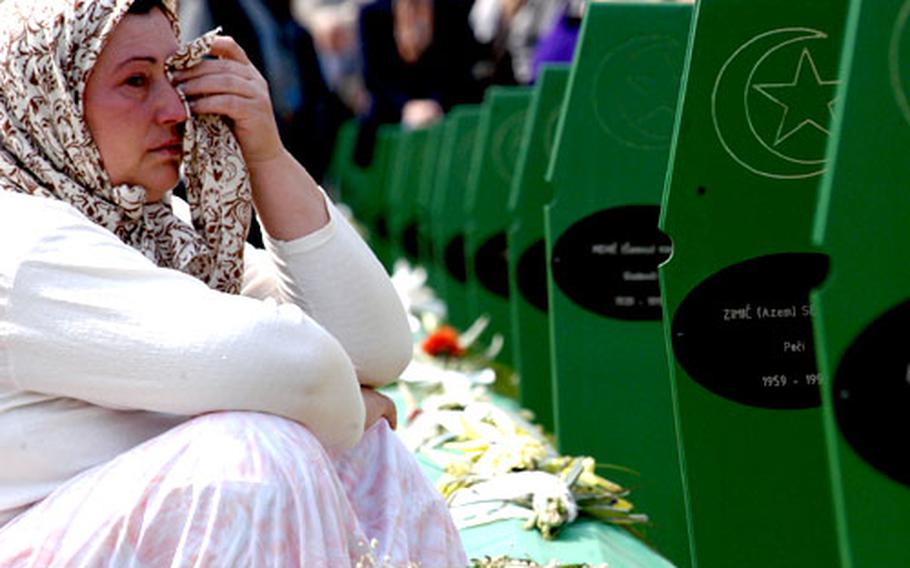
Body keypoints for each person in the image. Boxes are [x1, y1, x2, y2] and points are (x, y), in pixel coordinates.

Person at [0, 0, 466, 565]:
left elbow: (376, 347)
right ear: (48, 103)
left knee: (351, 446)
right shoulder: (20, 240)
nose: (175, 110)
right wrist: (348, 411)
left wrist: (265, 153)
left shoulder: (155, 231)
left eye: (176, 78)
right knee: (253, 455)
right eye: (137, 81)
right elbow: (305, 370)